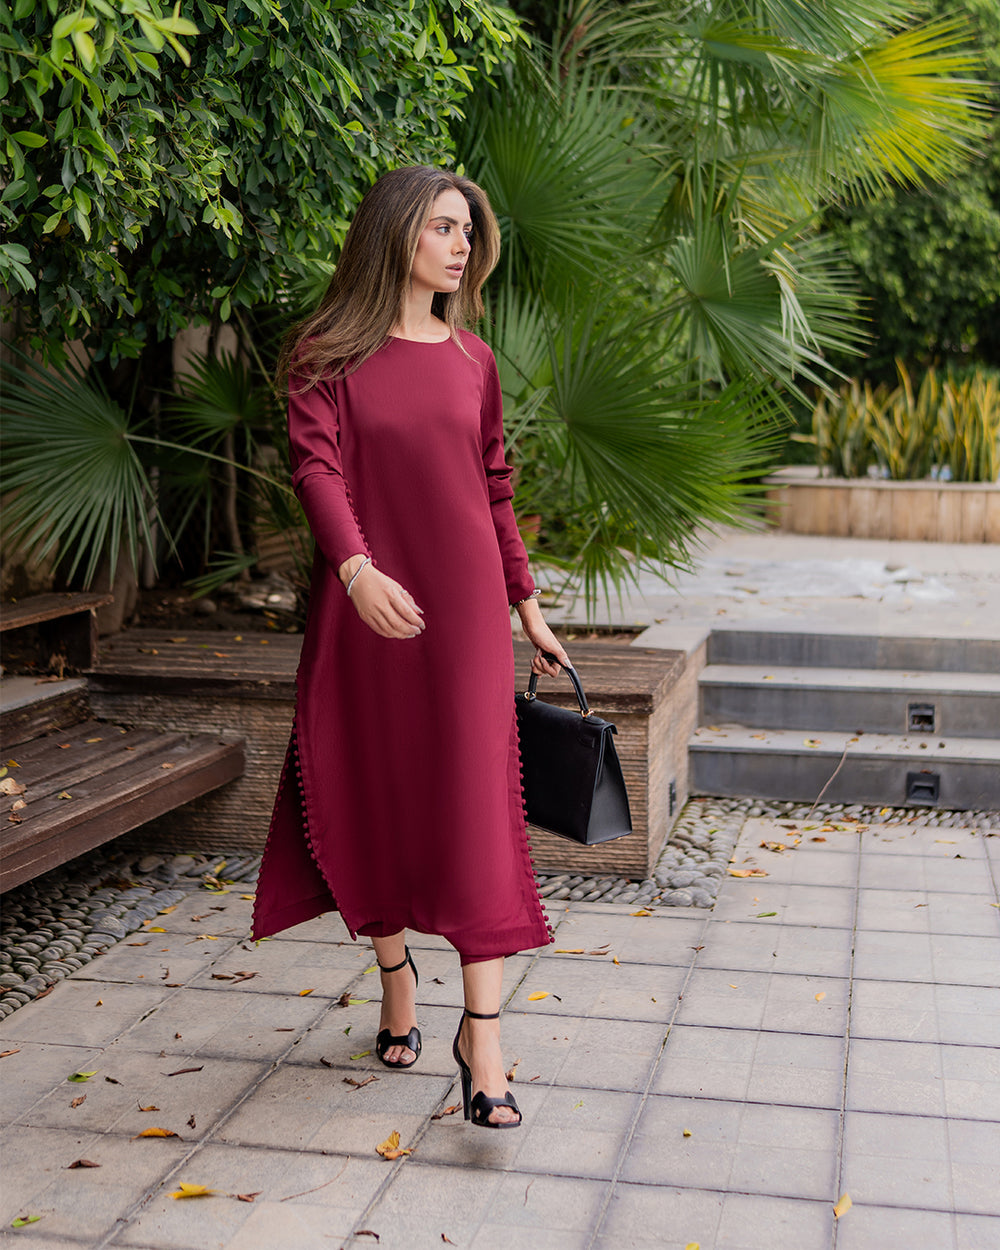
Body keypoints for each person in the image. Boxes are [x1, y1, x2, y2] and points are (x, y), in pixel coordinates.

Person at [251, 165, 571, 1129]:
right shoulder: (326, 353)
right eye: (443, 226)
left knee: (475, 806)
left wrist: (527, 606)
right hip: (368, 609)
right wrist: (356, 572)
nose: (461, 244)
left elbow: (495, 486)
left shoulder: (475, 359)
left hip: (466, 617)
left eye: (468, 229)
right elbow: (316, 469)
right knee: (376, 791)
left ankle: (484, 1038)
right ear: (395, 233)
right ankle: (395, 974)